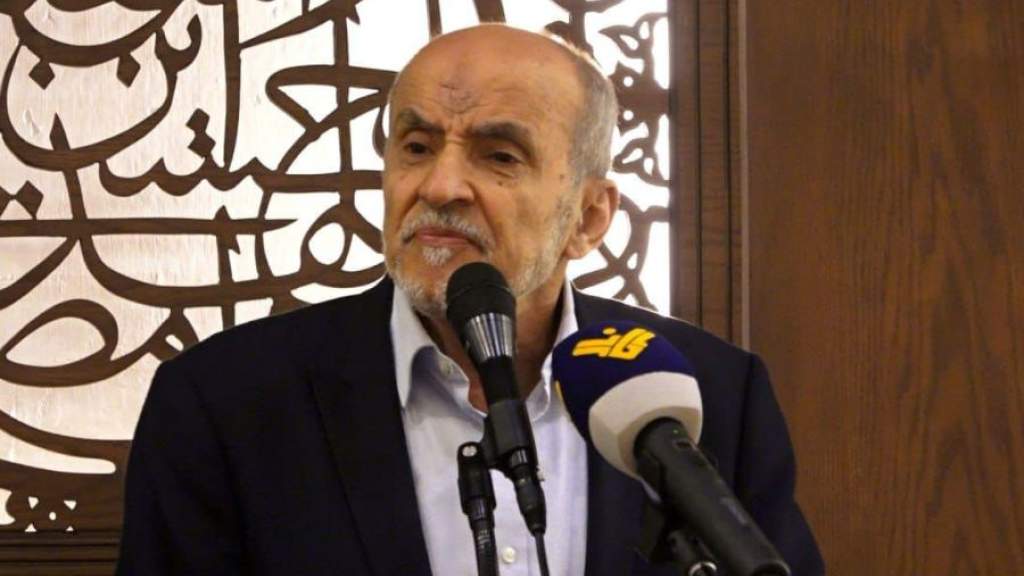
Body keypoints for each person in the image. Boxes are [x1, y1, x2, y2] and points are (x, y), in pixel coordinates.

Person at [116, 24, 824, 576]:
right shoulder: (226, 401)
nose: (440, 186)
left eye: (499, 156)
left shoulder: (707, 393)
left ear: (588, 218)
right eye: (416, 147)